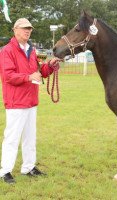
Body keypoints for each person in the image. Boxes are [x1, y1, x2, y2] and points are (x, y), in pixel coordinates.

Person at [0, 18, 61, 184]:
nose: (28, 31)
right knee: (12, 138)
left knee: (29, 137)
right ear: (15, 30)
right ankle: (5, 171)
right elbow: (8, 76)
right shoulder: (7, 51)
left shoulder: (32, 50)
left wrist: (50, 65)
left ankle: (28, 167)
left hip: (31, 100)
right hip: (16, 101)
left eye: (30, 29)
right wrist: (28, 77)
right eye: (25, 28)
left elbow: (40, 71)